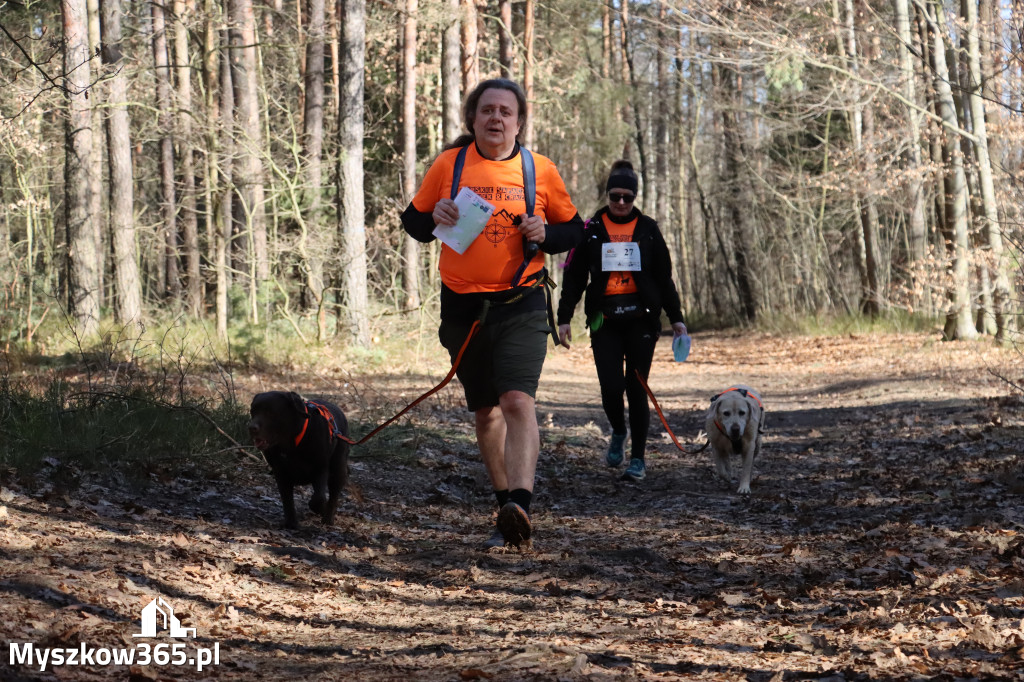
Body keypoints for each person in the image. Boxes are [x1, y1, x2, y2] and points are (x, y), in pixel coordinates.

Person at [401, 78, 584, 548]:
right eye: (487, 110)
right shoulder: (450, 164)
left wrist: (546, 233)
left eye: (506, 111)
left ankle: (521, 502)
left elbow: (574, 231)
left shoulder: (539, 170)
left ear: (519, 121)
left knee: (518, 401)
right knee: (486, 415)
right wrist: (435, 215)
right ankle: (505, 503)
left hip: (521, 302)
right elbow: (414, 223)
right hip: (463, 309)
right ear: (473, 118)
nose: (496, 118)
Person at [556, 160, 686, 482]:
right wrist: (564, 317)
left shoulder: (648, 230)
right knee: (611, 387)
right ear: (608, 193)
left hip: (642, 318)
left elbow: (664, 278)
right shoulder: (591, 229)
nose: (621, 203)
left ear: (635, 197)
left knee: (636, 386)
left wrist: (677, 318)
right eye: (616, 196)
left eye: (628, 197)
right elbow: (573, 276)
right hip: (605, 318)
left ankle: (638, 460)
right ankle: (618, 429)